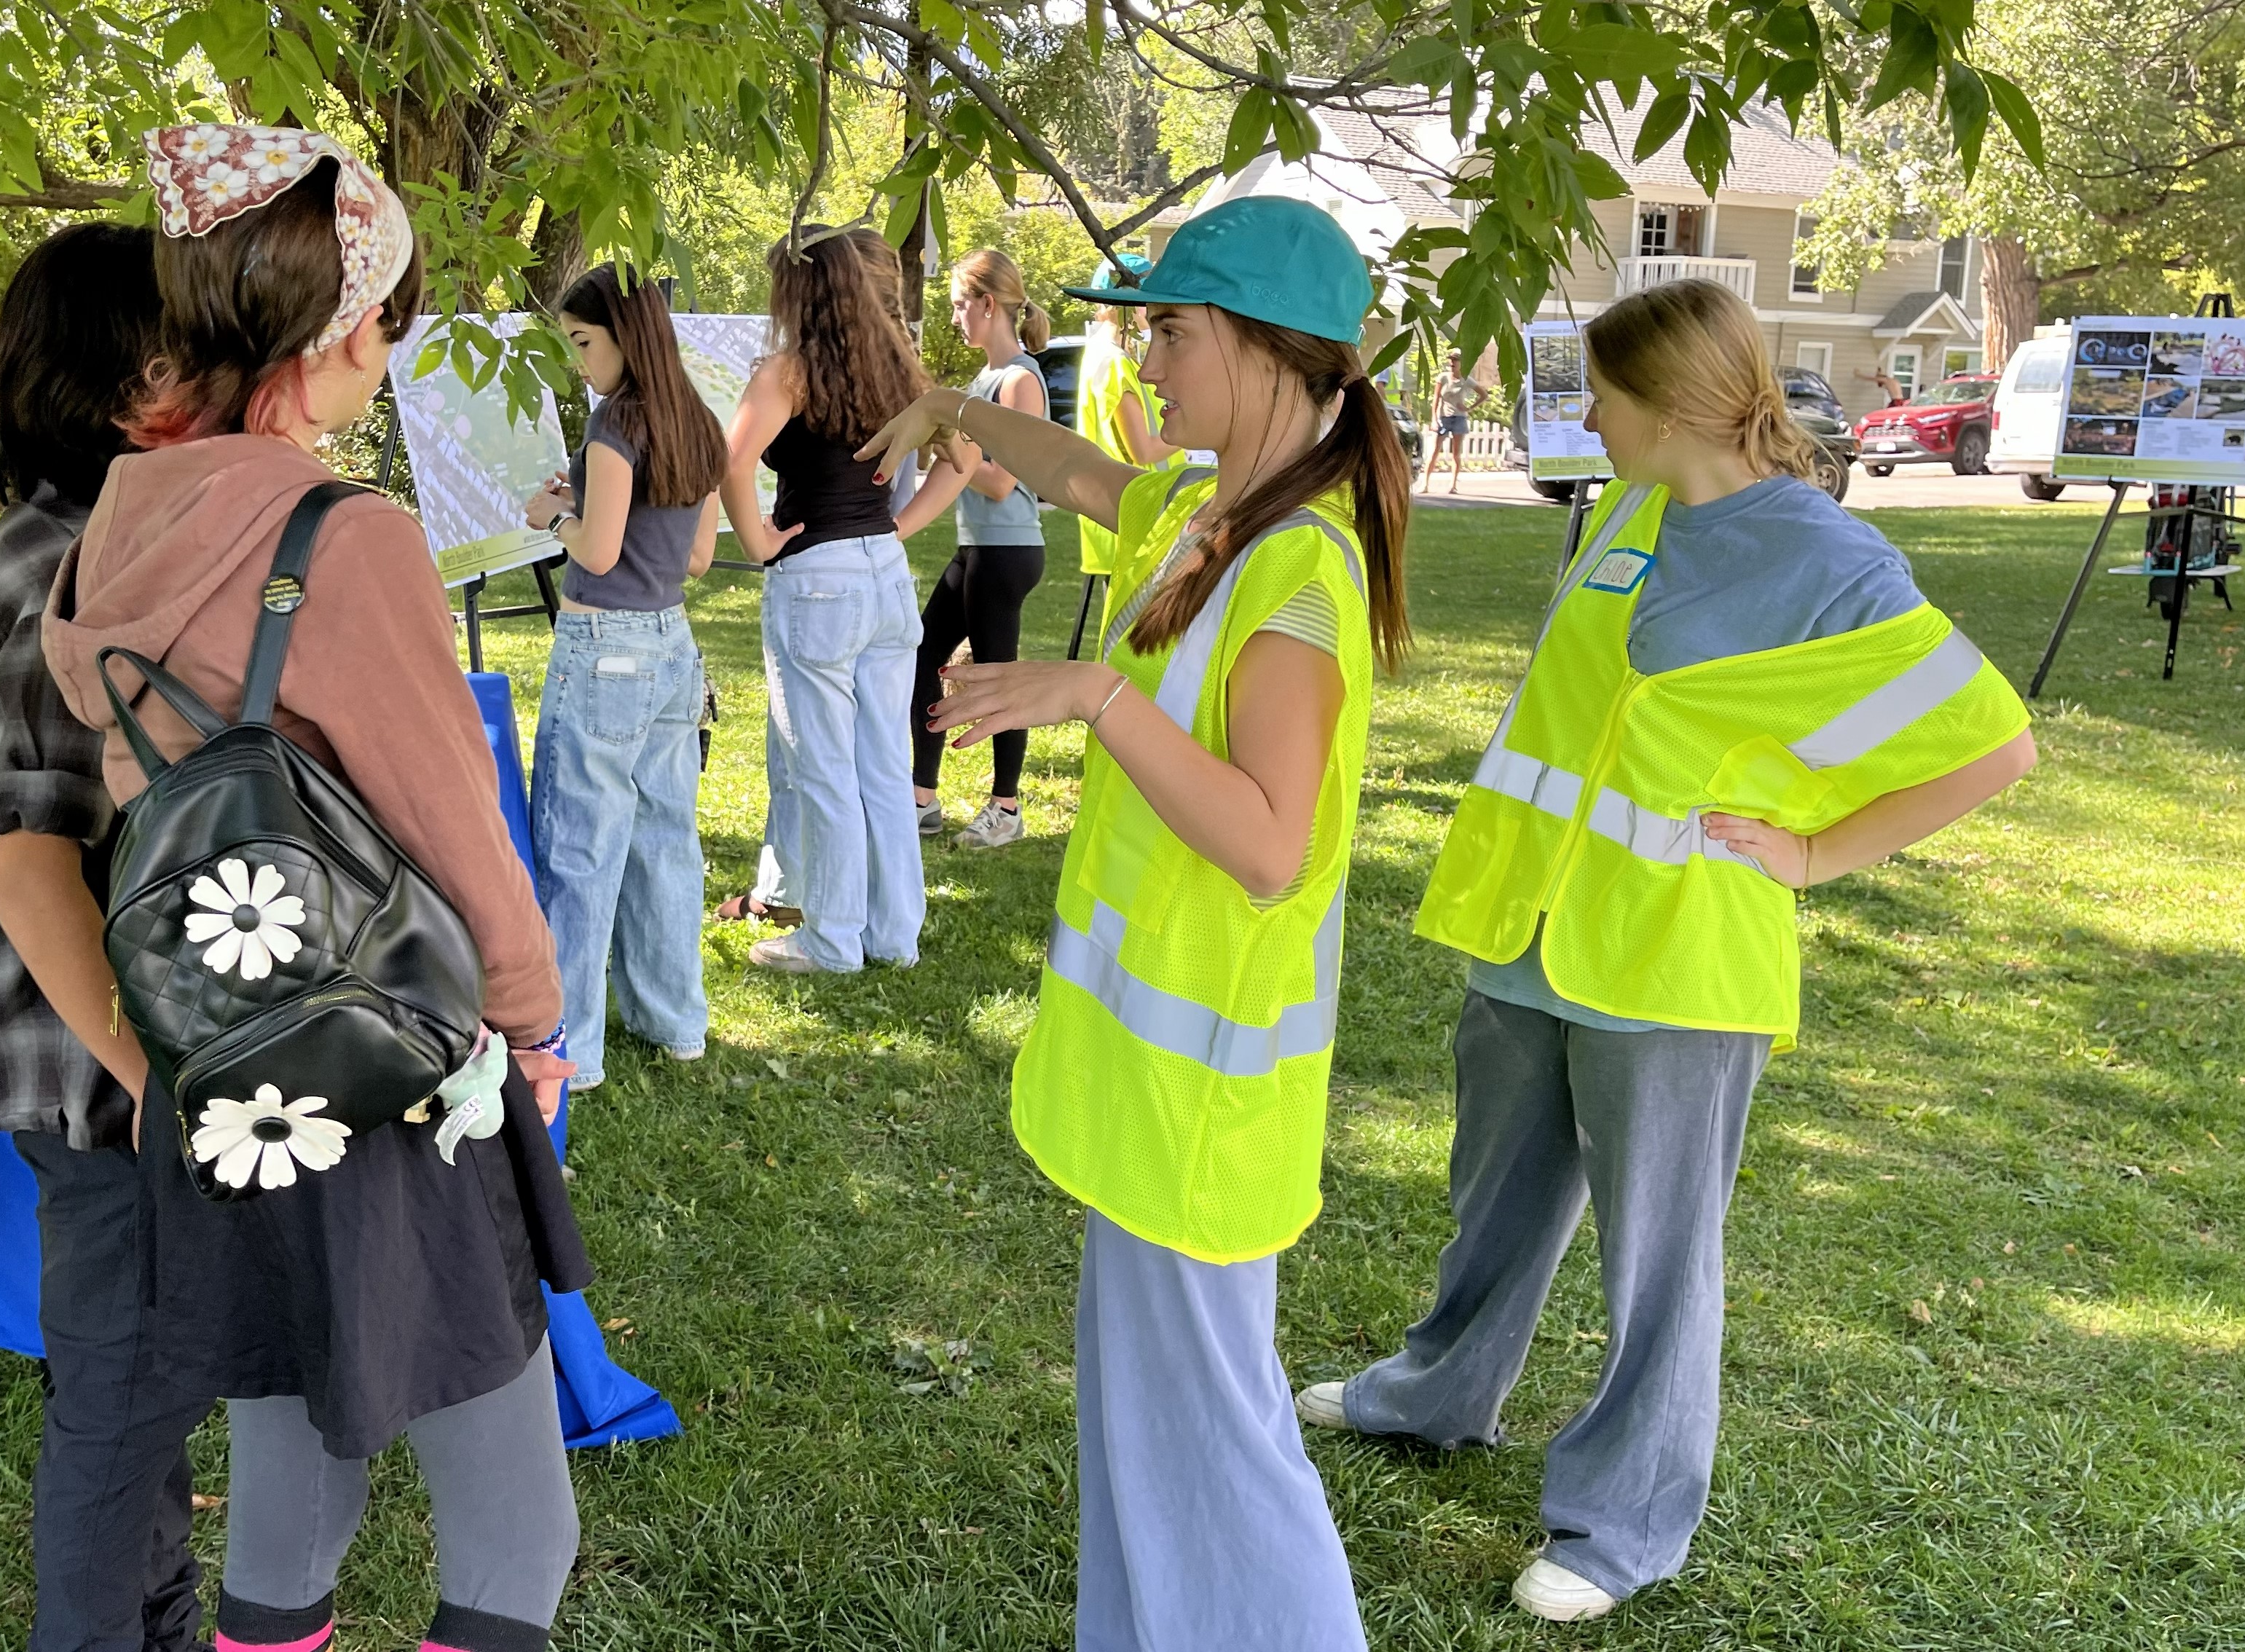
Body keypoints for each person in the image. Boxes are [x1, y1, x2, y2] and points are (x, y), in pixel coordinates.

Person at [1294, 278, 2037, 1623]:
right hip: (1530, 929)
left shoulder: (1829, 557)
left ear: (1674, 406)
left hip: (1677, 961)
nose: (1586, 418)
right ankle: (1436, 1393)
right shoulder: (1629, 509)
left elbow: (1992, 742)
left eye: (1602, 396)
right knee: (1493, 1200)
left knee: (1657, 1258)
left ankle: (1621, 1523)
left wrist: (1813, 854)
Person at [42, 125, 592, 1652]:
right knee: (517, 1535)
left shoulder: (113, 527)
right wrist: (531, 1021)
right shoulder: (341, 539)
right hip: (383, 1064)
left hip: (223, 1078)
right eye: (389, 317)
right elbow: (451, 821)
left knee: (289, 1486)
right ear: (346, 328)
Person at [857, 194, 1412, 1651]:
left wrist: (1097, 697)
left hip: (1204, 1107)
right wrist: (947, 406)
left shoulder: (1299, 568)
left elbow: (1271, 844)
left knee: (1219, 1447)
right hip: (1154, 1095)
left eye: (1170, 333)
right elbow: (1075, 470)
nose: (1144, 364)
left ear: (1267, 349)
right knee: (1148, 1440)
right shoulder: (1209, 515)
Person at [0, 221, 199, 1652]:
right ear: (121, 388)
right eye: (188, 353)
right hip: (97, 1073)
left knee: (134, 1387)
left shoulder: (81, 545)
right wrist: (155, 1077)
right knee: (118, 1400)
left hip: (95, 1063)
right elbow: (33, 864)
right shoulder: (68, 568)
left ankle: (161, 1621)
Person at [713, 224, 967, 975]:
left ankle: (830, 940)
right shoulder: (900, 368)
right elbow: (963, 460)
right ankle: (893, 935)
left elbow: (731, 461)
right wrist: (896, 529)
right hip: (884, 576)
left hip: (817, 579)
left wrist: (757, 541)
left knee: (823, 767)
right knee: (884, 765)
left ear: (801, 290)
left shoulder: (788, 372)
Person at [518, 263, 723, 1090]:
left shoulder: (616, 421)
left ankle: (571, 1049)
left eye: (583, 341)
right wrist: (591, 501)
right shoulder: (696, 420)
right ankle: (675, 1022)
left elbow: (598, 552)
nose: (579, 361)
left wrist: (554, 517)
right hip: (672, 645)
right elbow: (699, 556)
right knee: (666, 840)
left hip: (603, 646)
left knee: (580, 846)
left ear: (624, 336)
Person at [909, 247, 1055, 849]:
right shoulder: (980, 383)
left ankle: (1006, 806)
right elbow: (961, 466)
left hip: (1007, 550)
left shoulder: (1020, 380)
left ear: (988, 304)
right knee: (925, 657)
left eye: (958, 305)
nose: (954, 318)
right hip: (976, 548)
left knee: (999, 677)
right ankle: (921, 798)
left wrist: (951, 443)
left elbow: (1002, 482)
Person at [1069, 253, 1180, 653]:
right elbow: (1144, 448)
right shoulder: (1114, 362)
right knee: (1137, 650)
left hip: (1122, 513)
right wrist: (1199, 430)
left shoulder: (1102, 355)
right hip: (1135, 516)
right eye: (1147, 304)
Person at [1422, 350, 1478, 492]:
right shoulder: (1443, 378)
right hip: (1443, 418)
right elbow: (1436, 398)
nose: (1452, 362)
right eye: (1451, 360)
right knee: (1435, 451)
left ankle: (1453, 486)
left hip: (1459, 418)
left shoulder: (1466, 379)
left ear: (1461, 363)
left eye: (1456, 360)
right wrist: (1434, 419)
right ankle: (1425, 484)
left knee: (1456, 454)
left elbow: (1484, 394)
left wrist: (1469, 408)